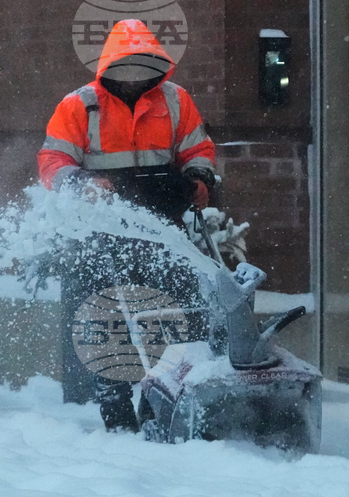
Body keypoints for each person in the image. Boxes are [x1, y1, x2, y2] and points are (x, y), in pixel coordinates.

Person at [37, 19, 217, 433]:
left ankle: (168, 401)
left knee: (172, 317)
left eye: (144, 65)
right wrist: (83, 183)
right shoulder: (79, 106)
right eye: (127, 65)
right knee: (110, 320)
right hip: (102, 234)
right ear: (109, 67)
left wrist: (199, 180)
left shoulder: (175, 101)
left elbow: (198, 149)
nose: (136, 75)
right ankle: (116, 409)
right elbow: (52, 162)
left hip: (163, 230)